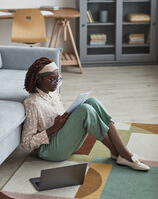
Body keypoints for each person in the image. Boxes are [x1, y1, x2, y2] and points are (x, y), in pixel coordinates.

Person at [21, 57, 150, 171]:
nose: (56, 83)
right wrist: (53, 128)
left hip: (63, 141)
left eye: (58, 79)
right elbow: (26, 143)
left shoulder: (53, 93)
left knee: (91, 101)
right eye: (52, 80)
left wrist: (65, 119)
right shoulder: (32, 103)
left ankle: (120, 153)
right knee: (85, 111)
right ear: (39, 79)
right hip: (50, 151)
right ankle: (124, 154)